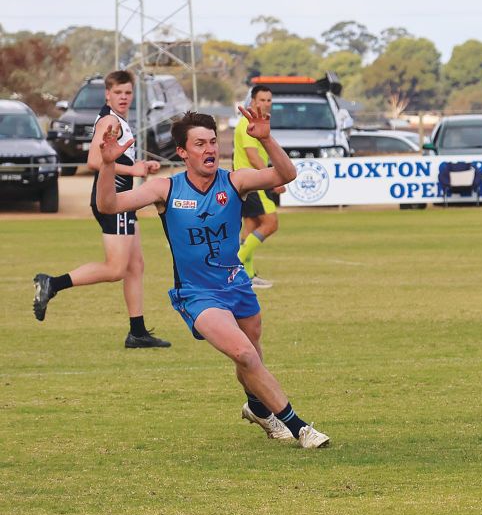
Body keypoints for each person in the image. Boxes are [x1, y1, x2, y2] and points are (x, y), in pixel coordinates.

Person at [93, 107, 330, 449]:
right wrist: (108, 164)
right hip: (196, 293)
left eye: (213, 142)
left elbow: (286, 174)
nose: (209, 149)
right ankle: (300, 427)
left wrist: (265, 137)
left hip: (236, 285)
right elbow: (109, 205)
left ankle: (259, 409)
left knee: (251, 355)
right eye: (200, 143)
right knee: (244, 354)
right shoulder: (165, 189)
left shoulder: (235, 181)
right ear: (182, 152)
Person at [32, 70, 171, 349]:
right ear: (107, 94)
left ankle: (138, 332)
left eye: (128, 93)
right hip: (114, 200)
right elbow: (95, 160)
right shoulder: (109, 120)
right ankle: (52, 284)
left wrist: (140, 165)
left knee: (135, 266)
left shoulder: (117, 120)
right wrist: (135, 169)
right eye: (118, 92)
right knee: (116, 268)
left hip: (124, 199)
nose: (123, 97)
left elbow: (113, 159)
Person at [233, 84, 283, 289]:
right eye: (262, 100)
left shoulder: (255, 122)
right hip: (253, 181)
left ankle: (249, 275)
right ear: (253, 102)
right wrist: (274, 179)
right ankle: (235, 266)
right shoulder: (247, 122)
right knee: (271, 224)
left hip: (247, 181)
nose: (266, 103)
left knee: (251, 228)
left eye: (269, 100)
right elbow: (252, 155)